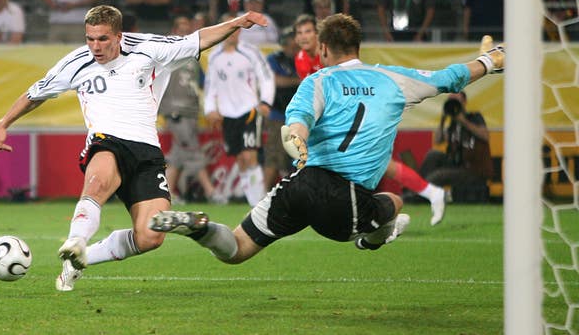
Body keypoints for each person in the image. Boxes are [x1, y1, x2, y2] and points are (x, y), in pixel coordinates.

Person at [148, 15, 504, 263]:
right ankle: (372, 237)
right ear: (357, 46)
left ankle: (201, 229)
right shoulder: (394, 79)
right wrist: (489, 61)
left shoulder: (317, 81)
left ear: (323, 48)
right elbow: (450, 77)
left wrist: (297, 138)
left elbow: (299, 120)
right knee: (393, 201)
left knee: (237, 249)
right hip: (344, 197)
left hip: (303, 183)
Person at [0, 5, 268, 291]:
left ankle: (80, 259)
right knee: (99, 181)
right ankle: (76, 239)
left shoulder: (149, 48)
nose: (95, 47)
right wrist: (4, 123)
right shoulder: (75, 63)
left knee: (150, 236)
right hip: (106, 140)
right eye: (90, 38)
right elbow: (36, 93)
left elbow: (198, 39)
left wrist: (238, 22)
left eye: (103, 39)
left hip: (146, 151)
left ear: (119, 36)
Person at [294, 14, 446, 225]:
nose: (303, 37)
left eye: (308, 31)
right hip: (339, 123)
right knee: (385, 166)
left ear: (322, 41)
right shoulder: (302, 59)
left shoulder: (335, 58)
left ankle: (422, 196)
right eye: (299, 33)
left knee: (383, 165)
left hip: (360, 116)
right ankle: (427, 194)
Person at [203, 12, 275, 207]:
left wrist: (265, 102)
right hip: (228, 114)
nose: (233, 33)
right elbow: (211, 86)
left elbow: (266, 77)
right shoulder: (214, 57)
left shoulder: (251, 52)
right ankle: (254, 204)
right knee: (240, 160)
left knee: (249, 155)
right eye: (229, 28)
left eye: (236, 28)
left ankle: (260, 206)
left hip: (249, 111)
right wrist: (210, 109)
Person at [159, 15, 215, 203]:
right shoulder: (165, 52)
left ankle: (167, 193)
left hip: (191, 110)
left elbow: (202, 82)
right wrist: (163, 109)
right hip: (175, 110)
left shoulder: (192, 54)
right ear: (174, 30)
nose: (184, 31)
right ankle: (211, 191)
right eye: (180, 27)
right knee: (192, 149)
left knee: (179, 153)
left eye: (186, 27)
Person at [419, 89, 493, 202]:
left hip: (473, 170)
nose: (453, 103)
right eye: (450, 101)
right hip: (457, 164)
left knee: (438, 176)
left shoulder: (474, 117)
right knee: (432, 155)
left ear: (464, 102)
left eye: (456, 101)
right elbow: (438, 140)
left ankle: (419, 195)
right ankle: (418, 187)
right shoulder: (453, 124)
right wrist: (443, 120)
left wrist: (464, 121)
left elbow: (485, 136)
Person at [263, 27, 300, 190]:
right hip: (277, 115)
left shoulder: (302, 59)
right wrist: (298, 81)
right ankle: (261, 195)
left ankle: (287, 196)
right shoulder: (274, 59)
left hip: (298, 118)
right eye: (290, 46)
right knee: (273, 157)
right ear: (283, 45)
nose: (293, 49)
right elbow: (274, 80)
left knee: (292, 160)